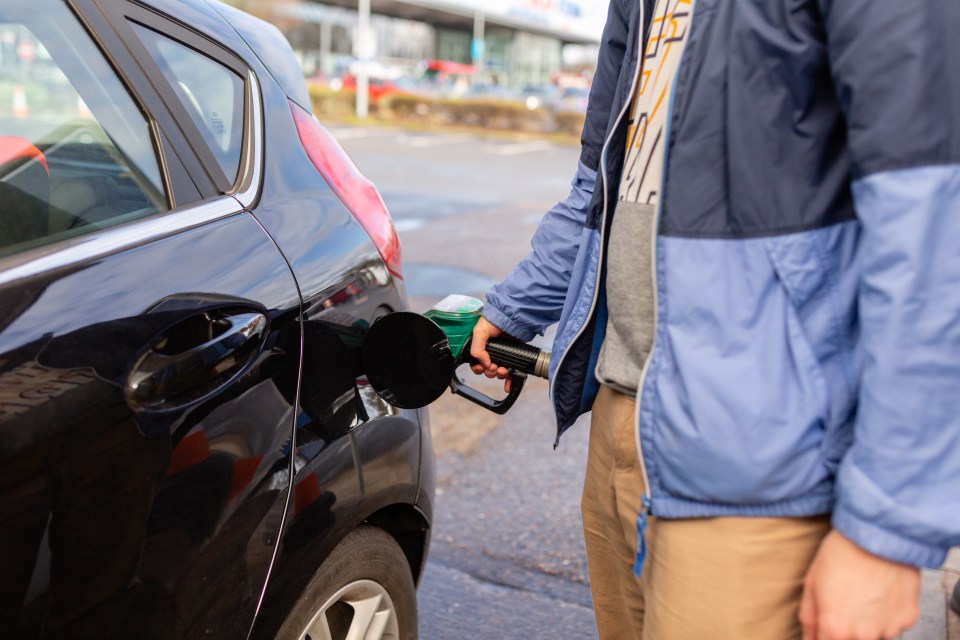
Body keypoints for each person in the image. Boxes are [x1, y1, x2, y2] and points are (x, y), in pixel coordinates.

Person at [469, 0, 960, 638]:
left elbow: (930, 235)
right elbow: (600, 183)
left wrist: (886, 532)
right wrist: (517, 307)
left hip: (764, 454)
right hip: (621, 415)